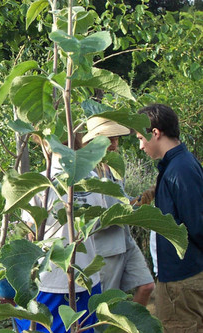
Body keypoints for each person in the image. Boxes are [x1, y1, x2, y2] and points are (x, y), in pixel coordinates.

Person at [16, 136, 102, 333]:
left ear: (46, 144)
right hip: (88, 279)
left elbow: (31, 235)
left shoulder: (40, 183)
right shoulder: (93, 179)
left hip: (50, 282)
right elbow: (99, 220)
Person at [136, 104, 203, 332]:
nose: (140, 145)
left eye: (140, 137)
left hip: (181, 281)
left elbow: (198, 224)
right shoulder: (177, 166)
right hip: (180, 277)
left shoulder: (179, 170)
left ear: (155, 133)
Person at [82, 117, 154, 306]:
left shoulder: (112, 169)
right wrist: (130, 208)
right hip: (106, 250)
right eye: (109, 138)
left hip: (125, 240)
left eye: (116, 138)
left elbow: (122, 201)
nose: (114, 144)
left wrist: (143, 198)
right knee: (106, 304)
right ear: (93, 141)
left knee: (146, 285)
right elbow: (92, 218)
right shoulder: (86, 173)